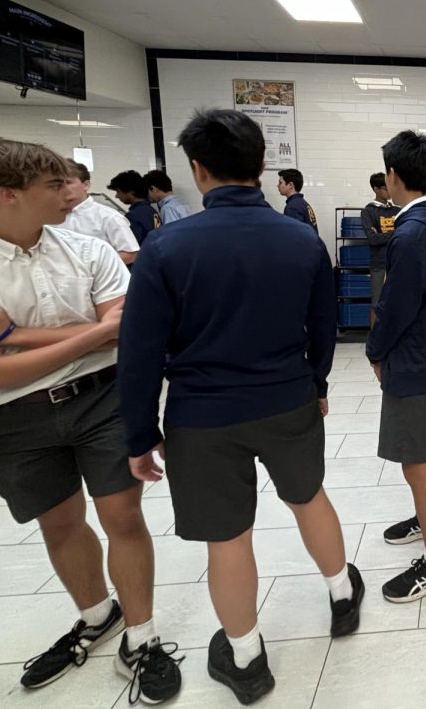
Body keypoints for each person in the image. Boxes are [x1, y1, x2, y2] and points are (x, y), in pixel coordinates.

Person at [0, 139, 180, 701]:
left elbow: (126, 322)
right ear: (9, 196)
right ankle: (95, 615)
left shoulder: (89, 250)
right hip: (16, 418)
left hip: (104, 400)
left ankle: (143, 635)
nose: (71, 193)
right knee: (59, 523)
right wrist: (92, 332)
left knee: (122, 517)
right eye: (54, 186)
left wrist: (14, 335)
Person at [119, 110, 358, 704]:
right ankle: (341, 594)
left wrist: (138, 434)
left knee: (228, 538)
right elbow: (323, 325)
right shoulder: (301, 238)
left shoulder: (166, 245)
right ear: (262, 166)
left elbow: (141, 351)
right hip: (287, 398)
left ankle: (246, 658)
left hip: (201, 416)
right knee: (309, 498)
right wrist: (318, 382)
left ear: (198, 170)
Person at [370, 131, 426, 601]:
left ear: (392, 176)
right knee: (425, 439)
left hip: (411, 357)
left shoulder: (410, 233)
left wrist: (375, 351)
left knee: (415, 459)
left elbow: (396, 307)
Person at [60, 161, 140, 264]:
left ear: (86, 185)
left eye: (68, 182)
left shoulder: (109, 217)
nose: (62, 188)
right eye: (57, 184)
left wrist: (94, 266)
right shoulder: (50, 217)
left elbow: (130, 253)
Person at [362, 172, 399, 329]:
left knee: (397, 302)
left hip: (397, 262)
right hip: (380, 264)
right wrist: (394, 234)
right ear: (376, 189)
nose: (390, 191)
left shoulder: (397, 210)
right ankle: (375, 339)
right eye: (386, 188)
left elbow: (405, 234)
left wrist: (383, 235)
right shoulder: (368, 211)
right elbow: (372, 239)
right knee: (377, 303)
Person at [107, 170, 161, 245]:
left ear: (131, 192)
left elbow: (132, 245)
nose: (116, 196)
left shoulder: (133, 216)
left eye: (118, 192)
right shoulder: (151, 210)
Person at [276, 168, 318, 232]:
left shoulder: (293, 207)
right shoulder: (302, 203)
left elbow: (295, 235)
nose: (277, 185)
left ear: (290, 185)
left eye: (280, 183)